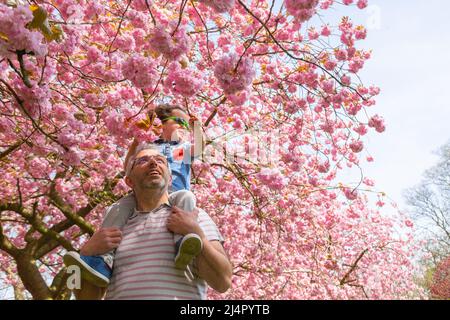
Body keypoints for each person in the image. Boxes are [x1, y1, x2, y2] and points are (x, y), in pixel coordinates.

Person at [64, 104, 207, 287]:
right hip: (143, 193)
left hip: (173, 194)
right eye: (178, 121)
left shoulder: (180, 149)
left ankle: (183, 243)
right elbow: (128, 167)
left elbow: (199, 147)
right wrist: (137, 139)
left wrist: (197, 127)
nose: (183, 126)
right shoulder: (148, 145)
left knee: (187, 197)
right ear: (161, 124)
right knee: (117, 208)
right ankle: (103, 260)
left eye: (186, 124)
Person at [74, 145, 232, 299]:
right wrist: (86, 253)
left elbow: (222, 282)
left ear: (169, 179)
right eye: (142, 161)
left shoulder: (192, 216)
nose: (153, 163)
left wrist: (197, 234)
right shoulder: (114, 227)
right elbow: (84, 297)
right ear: (129, 181)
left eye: (160, 160)